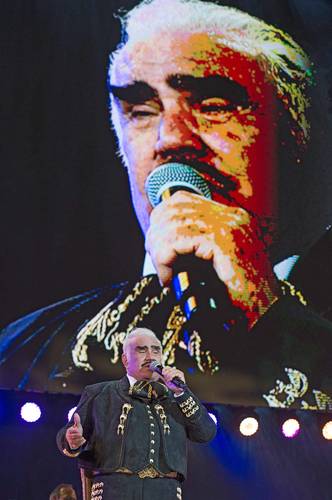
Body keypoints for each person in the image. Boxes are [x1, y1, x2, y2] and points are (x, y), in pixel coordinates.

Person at [0, 0, 331, 410]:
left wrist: (268, 312)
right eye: (141, 110)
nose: (170, 138)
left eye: (213, 106)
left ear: (297, 134)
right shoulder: (27, 346)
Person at [57, 327, 216, 500]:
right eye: (142, 350)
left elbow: (206, 433)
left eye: (156, 350)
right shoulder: (100, 393)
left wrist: (182, 393)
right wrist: (72, 440)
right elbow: (66, 435)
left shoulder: (176, 398)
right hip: (115, 491)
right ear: (125, 360)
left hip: (165, 491)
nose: (150, 356)